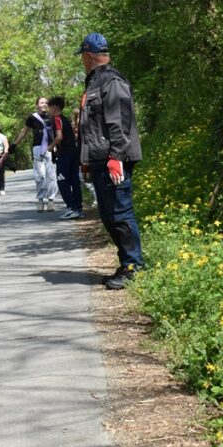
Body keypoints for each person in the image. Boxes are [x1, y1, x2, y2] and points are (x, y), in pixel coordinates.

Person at [77, 32, 144, 289]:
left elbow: (119, 122)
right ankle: (126, 263)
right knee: (108, 214)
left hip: (113, 159)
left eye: (82, 56)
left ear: (89, 56)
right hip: (99, 159)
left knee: (120, 212)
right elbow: (91, 127)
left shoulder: (112, 80)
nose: (82, 61)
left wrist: (116, 157)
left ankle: (134, 267)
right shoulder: (95, 81)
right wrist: (86, 160)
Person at [13, 97, 56, 211]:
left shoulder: (52, 116)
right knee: (40, 175)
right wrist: (15, 144)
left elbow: (58, 132)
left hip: (51, 147)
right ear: (37, 105)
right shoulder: (32, 117)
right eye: (42, 102)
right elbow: (24, 131)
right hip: (38, 147)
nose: (44, 104)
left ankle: (51, 200)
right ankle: (40, 199)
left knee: (51, 175)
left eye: (46, 103)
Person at [47, 96, 83, 219]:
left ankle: (71, 208)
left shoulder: (57, 119)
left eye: (49, 108)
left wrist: (50, 147)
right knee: (74, 181)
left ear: (54, 108)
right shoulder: (65, 119)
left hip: (65, 154)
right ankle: (78, 208)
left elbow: (59, 137)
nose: (48, 111)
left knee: (62, 180)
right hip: (74, 153)